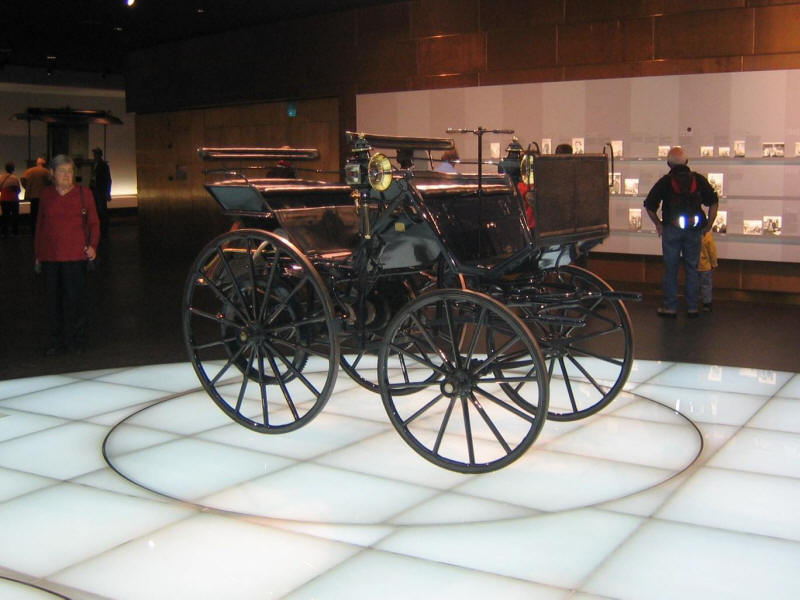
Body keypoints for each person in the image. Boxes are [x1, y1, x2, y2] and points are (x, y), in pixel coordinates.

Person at [35, 155, 100, 355]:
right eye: (62, 171)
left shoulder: (84, 193)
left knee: (76, 300)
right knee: (53, 302)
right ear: (52, 174)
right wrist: (38, 253)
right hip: (50, 257)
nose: (66, 175)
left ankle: (79, 340)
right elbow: (40, 225)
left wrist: (93, 246)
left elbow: (94, 223)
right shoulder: (46, 195)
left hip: (75, 256)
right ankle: (57, 341)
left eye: (70, 171)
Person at [644, 146, 718, 318]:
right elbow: (713, 202)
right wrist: (708, 225)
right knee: (692, 268)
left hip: (671, 229)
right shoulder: (698, 179)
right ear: (687, 161)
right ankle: (692, 307)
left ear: (668, 163)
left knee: (671, 269)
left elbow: (649, 205)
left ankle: (670, 307)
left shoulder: (665, 182)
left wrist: (658, 224)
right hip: (694, 229)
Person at [21, 156, 53, 236]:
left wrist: (27, 187)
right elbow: (51, 182)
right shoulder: (46, 172)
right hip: (43, 196)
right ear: (44, 164)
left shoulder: (29, 171)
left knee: (33, 214)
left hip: (32, 195)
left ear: (37, 163)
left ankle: (33, 230)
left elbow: (23, 179)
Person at [89, 147, 112, 240]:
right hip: (96, 190)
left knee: (101, 210)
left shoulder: (103, 166)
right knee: (99, 209)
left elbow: (108, 179)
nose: (94, 156)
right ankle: (101, 228)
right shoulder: (96, 165)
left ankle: (103, 228)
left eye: (95, 154)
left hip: (100, 190)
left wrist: (107, 192)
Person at [698, 229, 718, 312]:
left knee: (693, 285)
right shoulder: (708, 236)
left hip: (693, 265)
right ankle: (706, 304)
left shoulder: (692, 234)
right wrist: (714, 264)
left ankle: (692, 304)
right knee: (706, 285)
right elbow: (712, 251)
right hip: (705, 266)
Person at [0, 162, 22, 236]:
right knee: (15, 216)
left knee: (5, 216)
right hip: (14, 199)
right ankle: (15, 231)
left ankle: (5, 231)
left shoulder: (1, 177)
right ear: (13, 169)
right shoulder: (15, 178)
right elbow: (19, 190)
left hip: (4, 199)